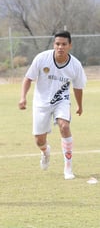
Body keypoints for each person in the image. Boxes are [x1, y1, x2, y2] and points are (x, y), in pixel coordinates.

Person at [18, 30, 86, 180]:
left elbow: (78, 87)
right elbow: (28, 78)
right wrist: (23, 98)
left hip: (61, 100)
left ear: (70, 46)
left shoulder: (75, 65)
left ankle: (68, 169)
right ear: (53, 45)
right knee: (39, 140)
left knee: (65, 126)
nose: (60, 47)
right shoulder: (42, 58)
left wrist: (79, 106)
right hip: (41, 103)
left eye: (64, 44)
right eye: (57, 44)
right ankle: (45, 152)